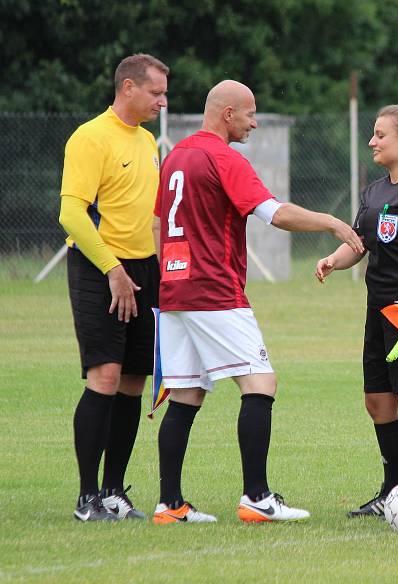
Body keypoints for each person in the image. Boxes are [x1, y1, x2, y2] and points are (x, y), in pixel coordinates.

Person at [152, 80, 364, 524]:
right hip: (214, 290)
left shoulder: (175, 156)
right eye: (250, 113)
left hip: (175, 289)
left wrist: (170, 277)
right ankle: (256, 497)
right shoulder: (223, 157)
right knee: (260, 383)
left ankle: (169, 504)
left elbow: (158, 224)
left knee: (187, 393)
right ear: (227, 113)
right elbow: (275, 213)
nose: (254, 121)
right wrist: (331, 223)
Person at [315, 104, 398, 518]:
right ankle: (390, 493)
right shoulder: (374, 192)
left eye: (380, 135)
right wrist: (333, 260)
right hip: (379, 313)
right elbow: (359, 242)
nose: (372, 142)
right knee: (378, 402)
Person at [59, 53, 169, 521]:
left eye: (164, 93)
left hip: (145, 271)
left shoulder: (147, 142)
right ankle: (87, 498)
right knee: (104, 376)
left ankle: (112, 492)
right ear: (128, 87)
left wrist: (162, 271)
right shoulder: (90, 137)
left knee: (133, 381)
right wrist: (113, 269)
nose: (163, 101)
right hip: (99, 268)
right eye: (156, 92)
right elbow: (71, 214)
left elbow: (154, 215)